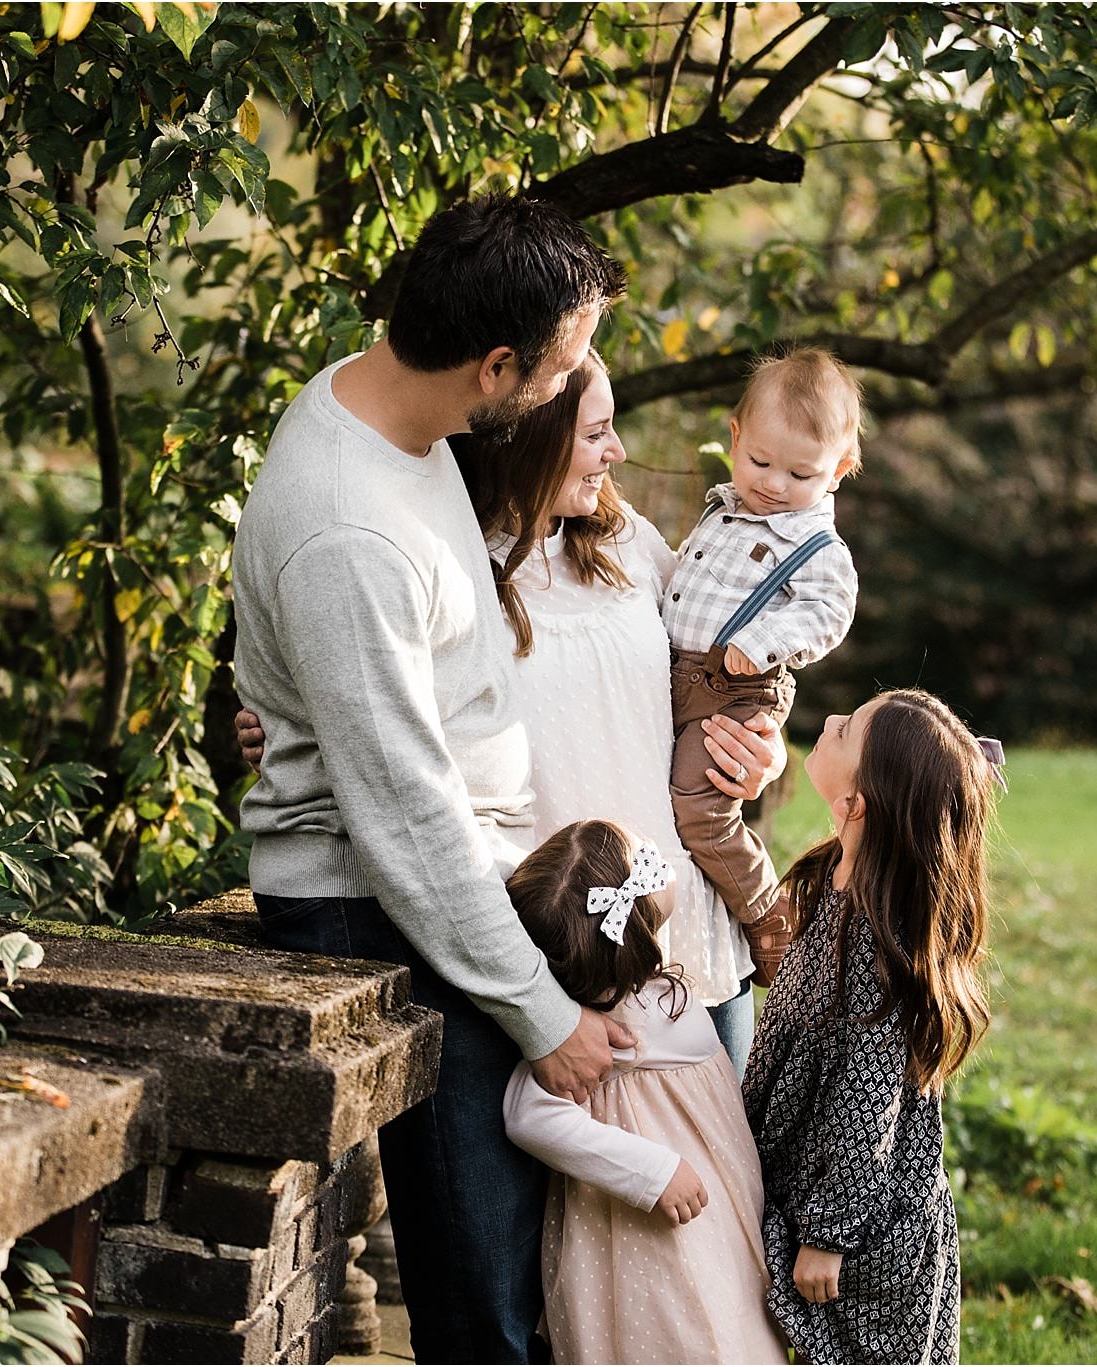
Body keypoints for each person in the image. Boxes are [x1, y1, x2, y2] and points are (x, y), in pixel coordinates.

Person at [230, 194, 628, 1364]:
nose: (572, 385)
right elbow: (401, 814)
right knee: (482, 1301)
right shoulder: (347, 527)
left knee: (516, 1278)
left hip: (451, 895)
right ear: (491, 364)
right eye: (560, 368)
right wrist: (539, 1010)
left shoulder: (391, 411)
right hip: (392, 910)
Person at [239, 356, 787, 1075]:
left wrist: (762, 740)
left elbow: (730, 660)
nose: (617, 451)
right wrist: (295, 725)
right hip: (568, 958)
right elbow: (380, 722)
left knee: (730, 1176)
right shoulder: (449, 562)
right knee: (608, 1183)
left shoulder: (630, 546)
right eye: (596, 432)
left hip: (691, 934)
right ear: (535, 436)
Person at [743, 689, 1002, 1364]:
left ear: (857, 802)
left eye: (846, 727)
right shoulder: (844, 878)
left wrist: (829, 1233)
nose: (829, 720)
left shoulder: (873, 942)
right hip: (833, 1189)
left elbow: (868, 1097)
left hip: (867, 1230)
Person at [499, 820, 788, 1365]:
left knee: (727, 1323)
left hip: (715, 1212)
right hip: (654, 1234)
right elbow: (527, 1114)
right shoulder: (610, 1031)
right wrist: (651, 1172)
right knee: (680, 1336)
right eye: (649, 859)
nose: (661, 859)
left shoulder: (647, 987)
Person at [665, 349, 863, 983]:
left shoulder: (817, 547)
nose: (775, 484)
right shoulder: (723, 509)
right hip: (682, 673)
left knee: (699, 808)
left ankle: (767, 916)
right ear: (735, 437)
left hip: (737, 690)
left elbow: (830, 612)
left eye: (801, 474)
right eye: (759, 461)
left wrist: (768, 638)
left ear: (840, 471)